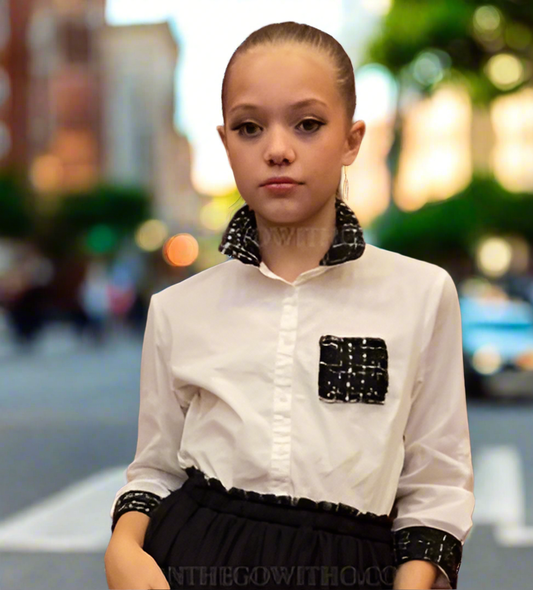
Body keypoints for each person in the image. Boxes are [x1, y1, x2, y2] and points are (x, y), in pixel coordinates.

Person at [104, 22, 475, 590]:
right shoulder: (177, 308)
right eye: (250, 128)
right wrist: (125, 549)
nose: (277, 149)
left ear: (352, 140)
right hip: (194, 561)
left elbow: (437, 482)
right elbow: (155, 468)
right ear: (225, 142)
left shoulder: (421, 294)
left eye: (308, 124)